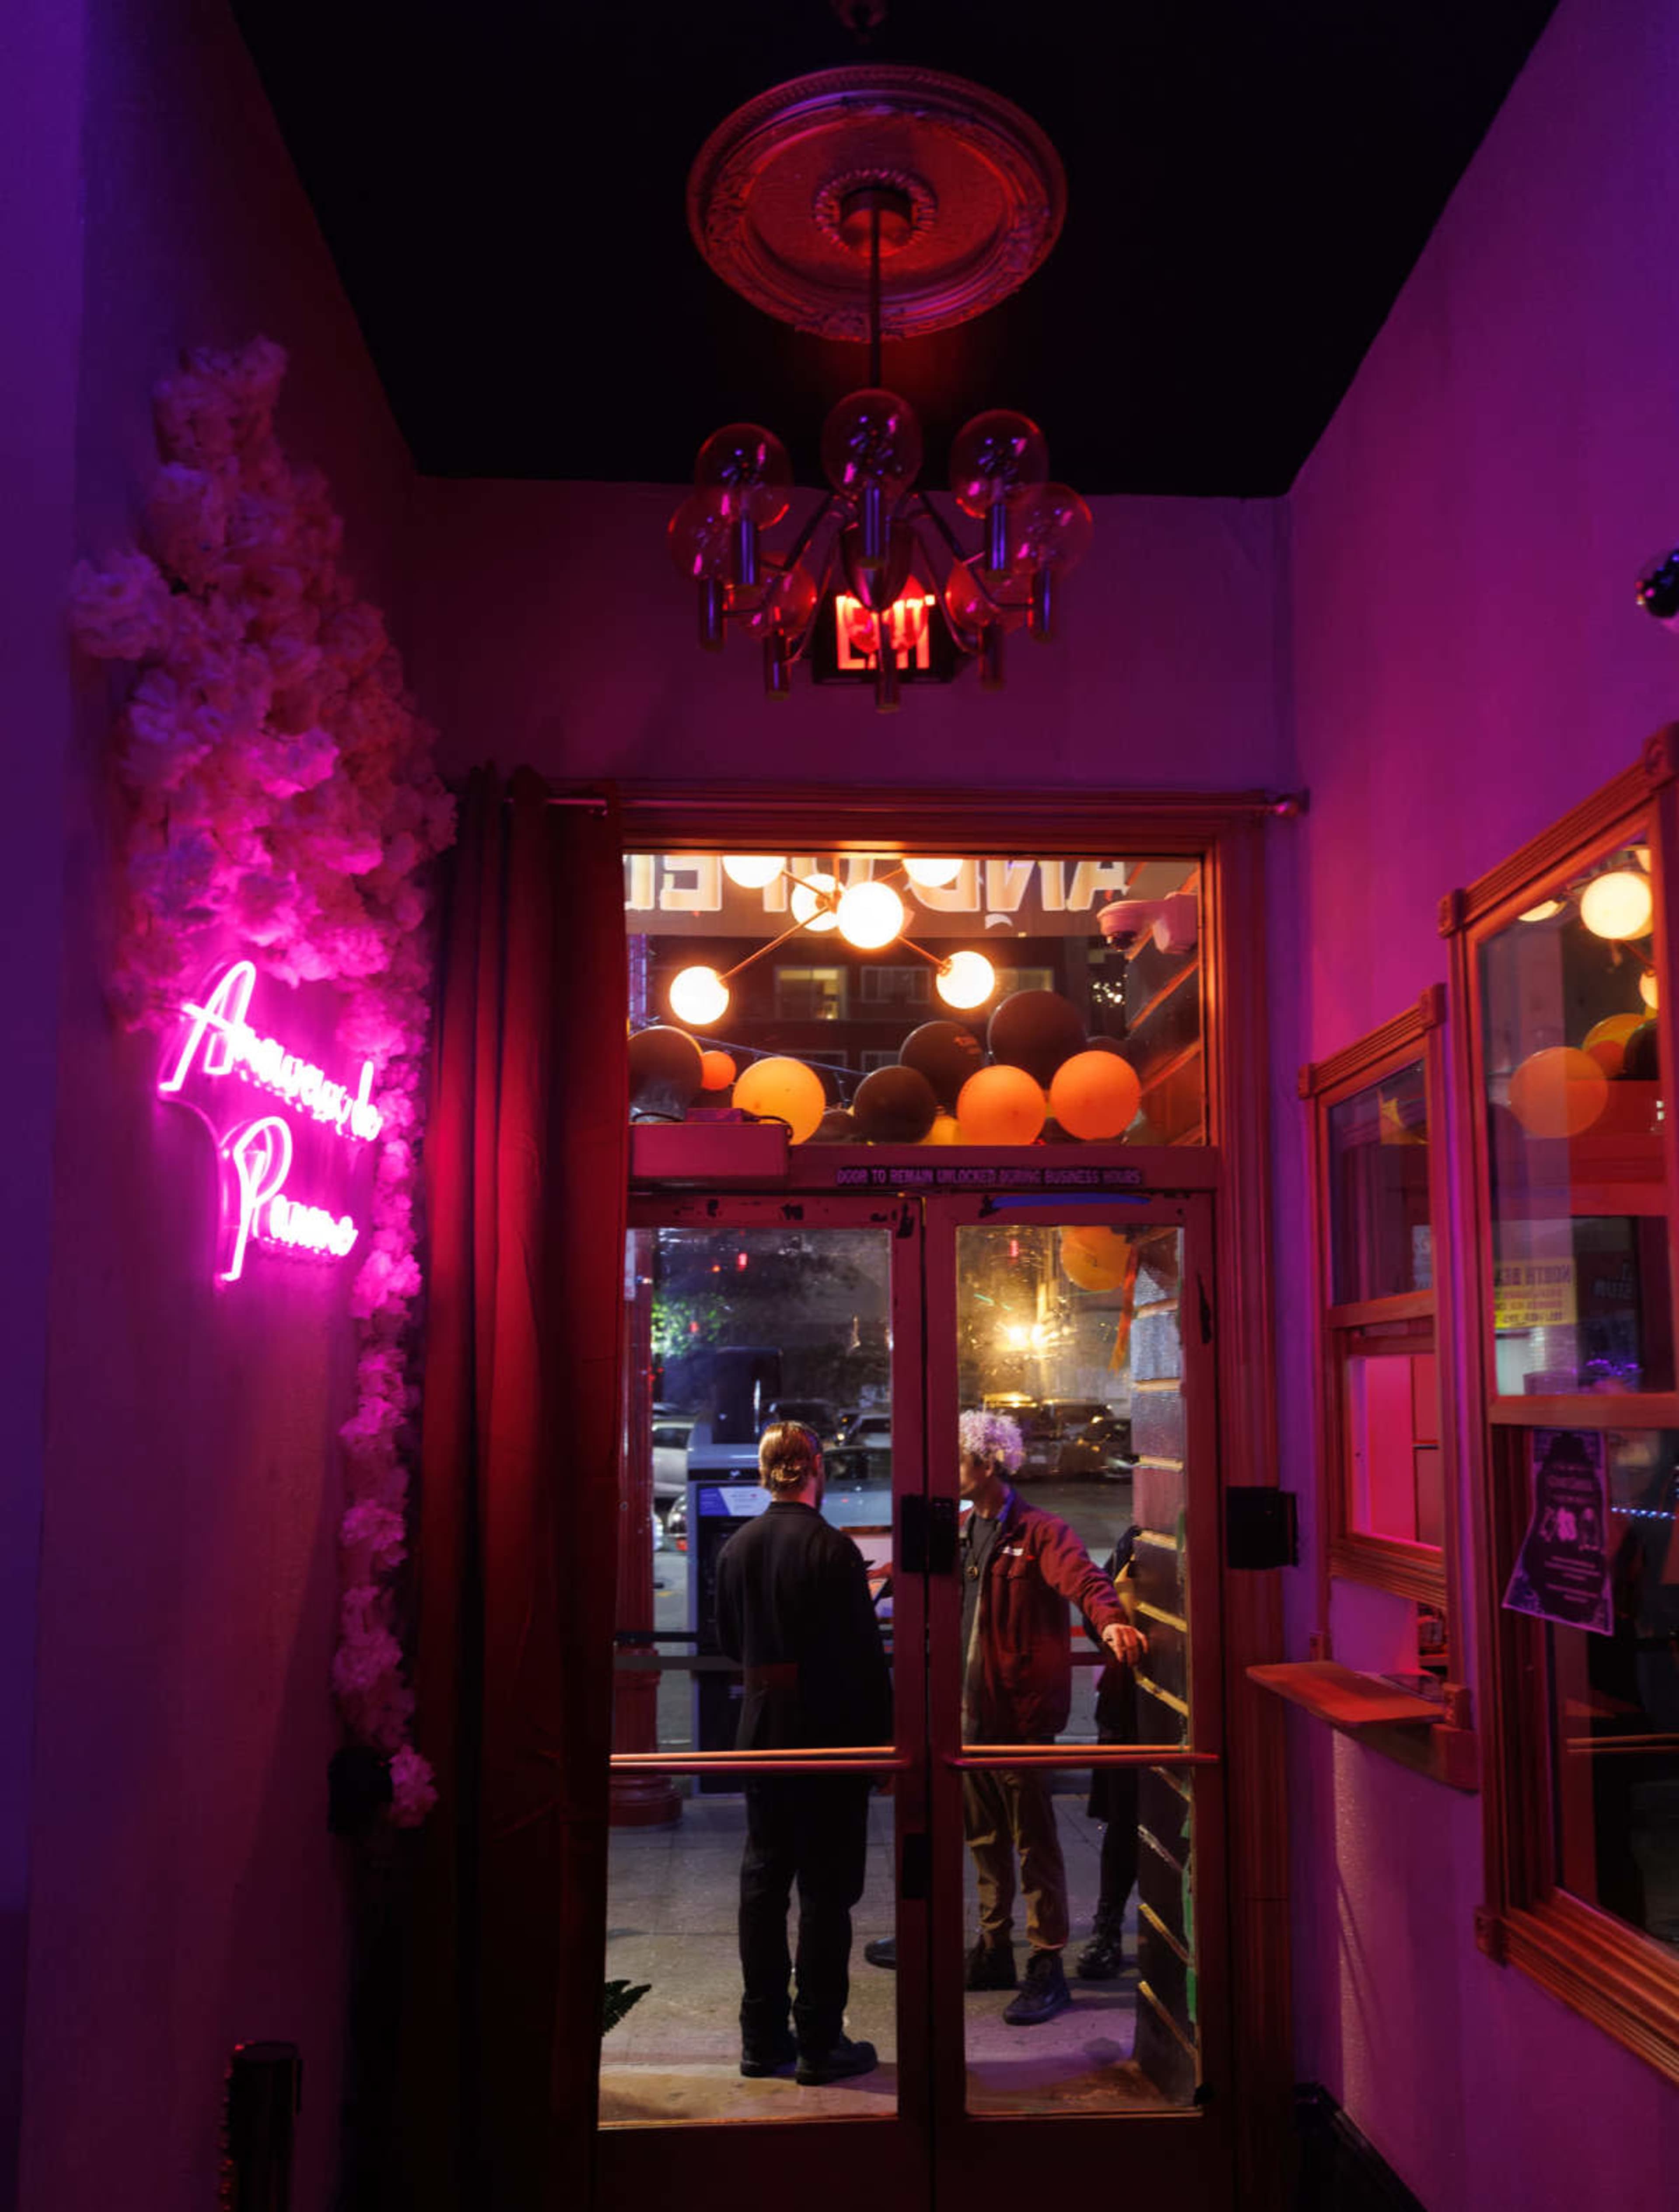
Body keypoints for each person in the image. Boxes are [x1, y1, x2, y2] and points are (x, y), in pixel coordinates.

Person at [868, 1409, 1146, 2026]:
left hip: (1016, 1717)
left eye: (956, 1460)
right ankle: (994, 1947)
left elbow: (1087, 1580)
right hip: (964, 1718)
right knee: (986, 1838)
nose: (947, 1472)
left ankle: (1046, 1960)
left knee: (1033, 1842)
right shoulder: (961, 1529)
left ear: (988, 1462)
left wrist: (1112, 1621)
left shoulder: (1042, 1532)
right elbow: (917, 1582)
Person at [714, 1419, 894, 2086]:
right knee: (825, 1890)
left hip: (760, 1728)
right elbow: (861, 1660)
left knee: (763, 1883)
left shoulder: (738, 1548)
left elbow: (731, 1641)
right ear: (817, 1466)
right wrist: (880, 1747)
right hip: (827, 1731)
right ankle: (820, 2038)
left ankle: (761, 2037)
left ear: (766, 1473)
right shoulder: (833, 1549)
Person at [1074, 1527, 1142, 1981]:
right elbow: (1092, 1602)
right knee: (1123, 1820)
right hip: (1128, 1700)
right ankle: (1108, 1924)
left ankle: (1110, 1927)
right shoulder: (1134, 1539)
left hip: (1138, 1698)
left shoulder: (1141, 1540)